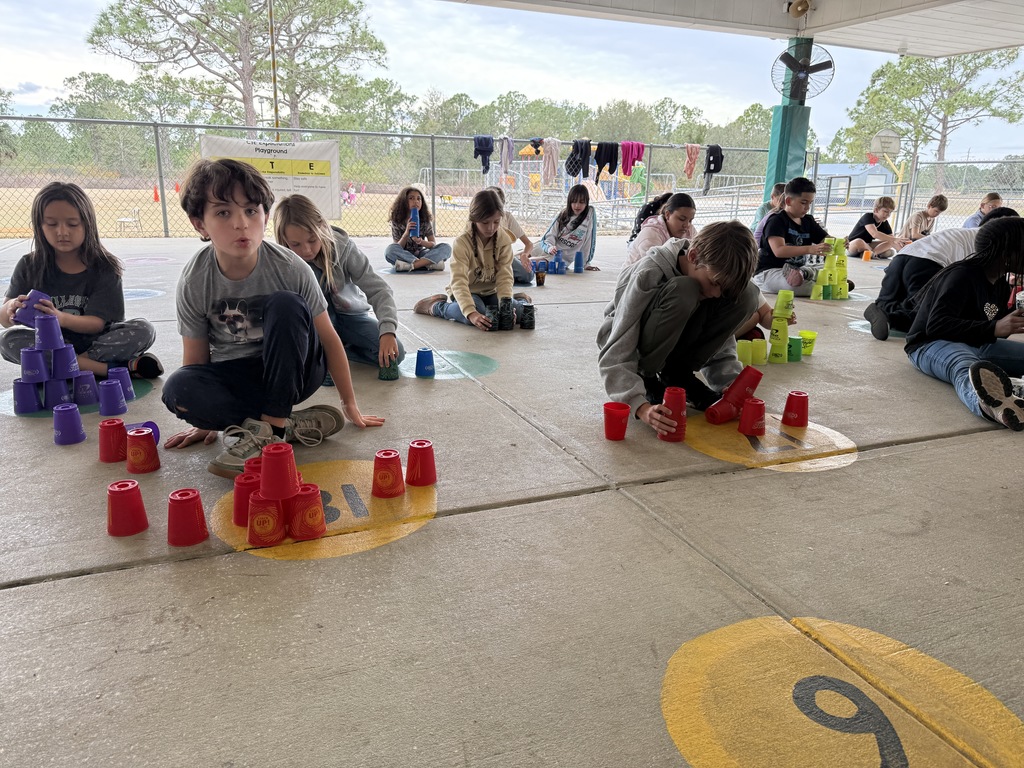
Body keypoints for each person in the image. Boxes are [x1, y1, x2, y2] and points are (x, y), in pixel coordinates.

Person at [161, 159, 383, 478]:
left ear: (265, 215)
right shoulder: (196, 280)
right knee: (178, 388)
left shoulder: (290, 267)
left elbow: (330, 338)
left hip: (295, 372)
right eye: (223, 212)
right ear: (199, 223)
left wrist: (350, 403)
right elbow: (196, 360)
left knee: (286, 304)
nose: (241, 223)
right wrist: (203, 421)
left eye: (251, 210)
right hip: (238, 375)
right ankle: (283, 424)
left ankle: (273, 430)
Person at [597, 221, 761, 436]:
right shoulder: (649, 272)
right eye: (713, 283)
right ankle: (648, 378)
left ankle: (678, 375)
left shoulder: (709, 281)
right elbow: (617, 344)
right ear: (693, 256)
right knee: (685, 289)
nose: (715, 294)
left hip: (674, 345)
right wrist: (639, 405)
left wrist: (728, 382)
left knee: (747, 295)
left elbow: (722, 336)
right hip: (634, 348)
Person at [0, 182, 161, 379]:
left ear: (87, 224)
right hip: (51, 343)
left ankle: (68, 367)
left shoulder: (104, 267)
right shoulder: (29, 265)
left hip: (96, 342)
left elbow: (97, 324)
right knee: (7, 340)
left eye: (72, 224)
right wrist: (10, 311)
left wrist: (60, 317)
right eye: (51, 224)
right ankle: (105, 369)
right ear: (40, 226)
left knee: (143, 329)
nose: (62, 232)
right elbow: (5, 320)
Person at [904, 217, 1024, 430]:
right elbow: (937, 325)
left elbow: (993, 325)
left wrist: (1010, 322)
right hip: (930, 344)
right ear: (1006, 253)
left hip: (979, 342)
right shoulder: (962, 275)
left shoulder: (1001, 285)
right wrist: (995, 327)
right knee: (966, 367)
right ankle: (990, 406)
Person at [274, 194, 404, 368]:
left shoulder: (344, 248)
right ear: (284, 241)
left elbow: (379, 290)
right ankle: (325, 352)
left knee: (395, 355)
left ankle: (339, 351)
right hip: (313, 324)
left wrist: (387, 331)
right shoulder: (282, 261)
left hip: (350, 319)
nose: (306, 250)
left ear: (322, 228)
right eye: (295, 244)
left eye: (312, 240)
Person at [864, 207, 1019, 340]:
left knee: (888, 299)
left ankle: (879, 309)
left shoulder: (966, 232)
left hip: (903, 256)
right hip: (930, 262)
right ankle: (891, 318)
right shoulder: (995, 239)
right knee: (926, 313)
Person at [412, 189, 531, 330]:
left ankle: (519, 301)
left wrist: (506, 303)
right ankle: (436, 306)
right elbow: (459, 281)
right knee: (478, 316)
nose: (491, 228)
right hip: (468, 292)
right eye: (485, 222)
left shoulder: (504, 240)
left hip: (491, 292)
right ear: (474, 219)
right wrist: (471, 313)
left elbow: (505, 276)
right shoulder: (462, 243)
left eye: (496, 222)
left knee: (523, 313)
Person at [753, 176, 841, 297]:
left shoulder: (808, 221)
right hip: (771, 271)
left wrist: (839, 243)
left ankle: (807, 274)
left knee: (827, 269)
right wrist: (810, 249)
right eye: (803, 203)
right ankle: (824, 283)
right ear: (789, 201)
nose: (807, 207)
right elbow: (779, 251)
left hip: (799, 269)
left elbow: (827, 239)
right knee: (794, 286)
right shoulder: (776, 220)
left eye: (810, 203)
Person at [385, 185, 452, 272]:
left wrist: (420, 241)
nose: (415, 201)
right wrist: (406, 234)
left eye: (418, 199)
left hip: (421, 254)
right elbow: (397, 247)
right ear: (403, 202)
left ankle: (412, 265)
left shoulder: (425, 220)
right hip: (404, 255)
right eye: (411, 198)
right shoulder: (397, 221)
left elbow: (433, 244)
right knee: (390, 250)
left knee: (446, 248)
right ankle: (428, 264)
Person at [532, 184, 599, 270]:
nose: (577, 205)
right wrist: (550, 247)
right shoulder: (563, 214)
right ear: (569, 201)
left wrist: (586, 264)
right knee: (518, 258)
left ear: (587, 202)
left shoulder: (589, 215)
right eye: (574, 201)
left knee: (529, 264)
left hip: (558, 259)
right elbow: (550, 235)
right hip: (547, 248)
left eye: (581, 202)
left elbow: (588, 241)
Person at [625, 192, 696, 266]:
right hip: (637, 274)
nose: (686, 225)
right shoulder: (651, 232)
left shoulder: (690, 229)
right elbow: (654, 266)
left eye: (690, 220)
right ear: (667, 215)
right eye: (682, 219)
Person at [486, 186, 536, 286]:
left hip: (503, 256)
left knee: (528, 275)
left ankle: (502, 276)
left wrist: (524, 255)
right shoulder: (478, 219)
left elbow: (528, 243)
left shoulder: (506, 217)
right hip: (483, 257)